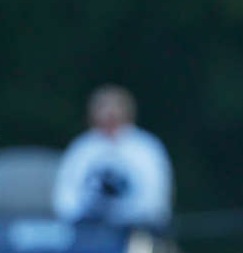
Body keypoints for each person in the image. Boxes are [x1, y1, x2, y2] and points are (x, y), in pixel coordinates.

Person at [52, 85, 174, 228]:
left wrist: (126, 217)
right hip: (88, 230)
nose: (110, 113)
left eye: (116, 106)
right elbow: (66, 196)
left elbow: (155, 199)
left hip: (135, 230)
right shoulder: (82, 148)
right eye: (103, 107)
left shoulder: (146, 148)